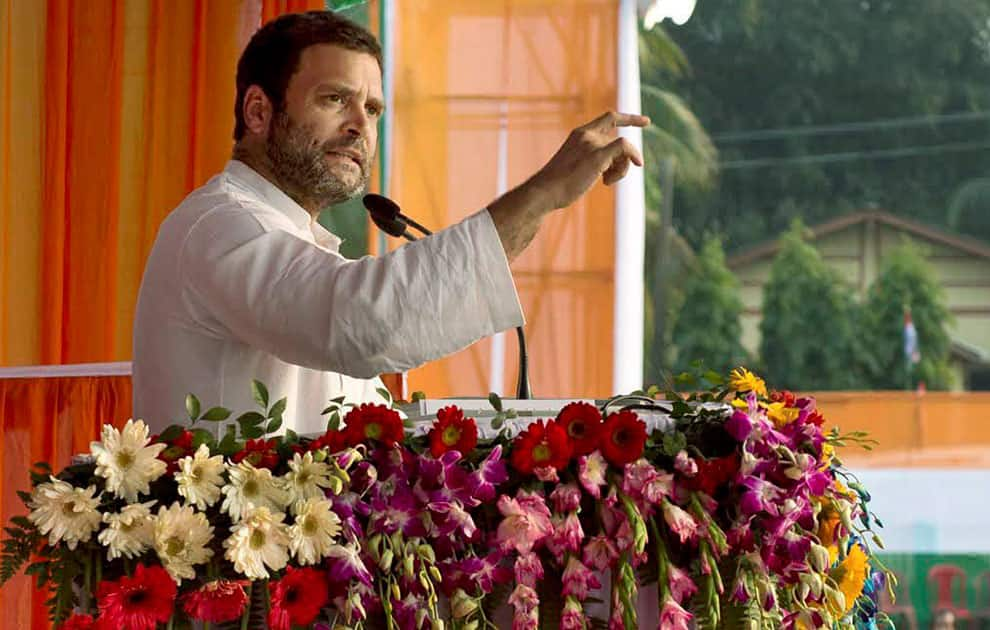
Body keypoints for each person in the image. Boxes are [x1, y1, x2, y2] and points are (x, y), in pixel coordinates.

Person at [133, 11, 648, 434]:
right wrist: (542, 195)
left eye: (373, 108)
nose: (360, 125)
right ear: (258, 112)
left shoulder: (299, 244)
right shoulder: (218, 224)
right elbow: (366, 323)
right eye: (335, 99)